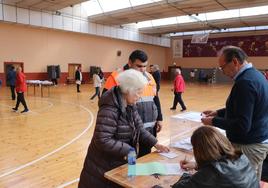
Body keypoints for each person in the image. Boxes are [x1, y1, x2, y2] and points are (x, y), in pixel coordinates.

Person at [78, 69, 169, 188]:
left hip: (117, 162)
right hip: (102, 167)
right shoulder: (110, 107)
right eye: (137, 92)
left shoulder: (130, 104)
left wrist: (156, 143)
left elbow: (140, 129)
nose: (139, 96)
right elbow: (102, 139)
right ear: (127, 90)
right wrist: (128, 150)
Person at [201, 46, 268, 180]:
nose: (222, 71)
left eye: (223, 67)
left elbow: (242, 125)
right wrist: (218, 113)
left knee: (244, 182)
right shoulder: (256, 75)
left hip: (249, 145)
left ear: (235, 62)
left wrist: (213, 122)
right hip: (258, 140)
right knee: (253, 181)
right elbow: (244, 108)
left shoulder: (245, 82)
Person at [102, 50, 164, 157]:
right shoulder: (117, 77)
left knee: (143, 159)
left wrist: (159, 118)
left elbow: (155, 98)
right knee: (127, 163)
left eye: (145, 66)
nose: (143, 70)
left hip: (146, 128)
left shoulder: (149, 77)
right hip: (125, 132)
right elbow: (105, 101)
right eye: (139, 66)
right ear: (130, 63)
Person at [172, 126, 259, 188]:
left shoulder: (211, 173)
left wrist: (186, 176)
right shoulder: (240, 156)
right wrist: (196, 165)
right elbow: (223, 170)